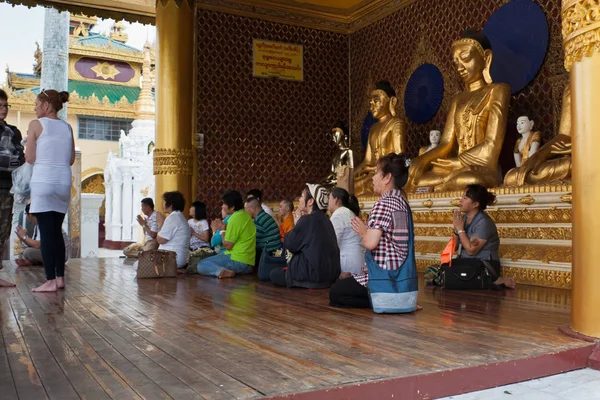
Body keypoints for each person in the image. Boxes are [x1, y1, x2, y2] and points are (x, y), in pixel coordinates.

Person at [329, 153, 419, 311]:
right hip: (404, 283)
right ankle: (402, 302)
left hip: (383, 278)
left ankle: (381, 302)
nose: (372, 177)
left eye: (376, 172)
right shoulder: (403, 203)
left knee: (336, 293)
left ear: (387, 177)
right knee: (346, 284)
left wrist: (364, 231)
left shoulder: (384, 203)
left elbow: (370, 243)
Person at [27, 89, 74, 293]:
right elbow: (71, 159)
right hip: (63, 182)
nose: (35, 107)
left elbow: (29, 158)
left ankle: (49, 280)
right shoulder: (67, 127)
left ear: (46, 105)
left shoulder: (36, 125)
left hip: (44, 181)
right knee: (56, 231)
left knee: (46, 234)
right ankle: (60, 278)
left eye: (37, 104)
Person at [270, 184, 340, 288]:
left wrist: (297, 222)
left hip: (311, 275)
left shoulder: (307, 220)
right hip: (328, 276)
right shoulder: (326, 219)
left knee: (274, 273)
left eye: (302, 196)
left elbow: (290, 244)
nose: (300, 199)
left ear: (310, 201)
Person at [451, 184, 515, 289]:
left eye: (465, 198)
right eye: (462, 197)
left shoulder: (483, 222)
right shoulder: (463, 218)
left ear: (475, 204)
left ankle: (496, 280)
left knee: (456, 277)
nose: (460, 201)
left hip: (484, 264)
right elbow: (453, 248)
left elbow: (471, 251)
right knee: (441, 269)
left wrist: (461, 229)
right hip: (466, 261)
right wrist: (457, 230)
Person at [198, 190, 256, 278]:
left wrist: (222, 230)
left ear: (232, 207)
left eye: (224, 204)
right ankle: (225, 270)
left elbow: (228, 245)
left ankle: (221, 271)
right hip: (248, 262)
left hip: (237, 261)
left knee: (201, 265)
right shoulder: (245, 215)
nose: (222, 206)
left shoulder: (235, 218)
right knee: (214, 258)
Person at [0, 89, 25, 262]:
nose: (3, 109)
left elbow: (21, 158)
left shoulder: (14, 132)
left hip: (6, 187)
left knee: (3, 229)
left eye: (5, 105)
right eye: (0, 106)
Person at [328, 187, 364, 274]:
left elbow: (332, 243)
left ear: (336, 200)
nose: (328, 203)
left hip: (348, 264)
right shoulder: (348, 212)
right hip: (357, 260)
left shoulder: (338, 214)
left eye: (329, 199)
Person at [156, 191, 190, 271]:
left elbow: (160, 240)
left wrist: (160, 223)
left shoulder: (172, 218)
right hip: (178, 258)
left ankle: (170, 270)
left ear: (170, 205)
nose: (163, 204)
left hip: (172, 259)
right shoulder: (180, 217)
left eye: (164, 202)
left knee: (137, 265)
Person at [244, 197, 281, 266]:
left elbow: (251, 241)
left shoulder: (259, 220)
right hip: (274, 251)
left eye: (246, 209)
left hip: (269, 253)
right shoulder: (264, 216)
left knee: (242, 256)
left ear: (253, 208)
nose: (245, 211)